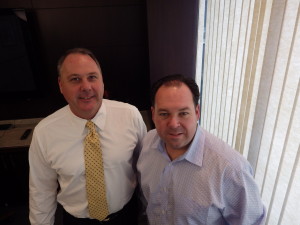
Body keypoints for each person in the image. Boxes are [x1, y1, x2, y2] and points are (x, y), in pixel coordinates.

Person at [29, 48, 147, 225]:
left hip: (126, 216)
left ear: (102, 81)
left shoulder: (130, 116)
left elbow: (145, 169)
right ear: (61, 85)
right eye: (75, 79)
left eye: (92, 77)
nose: (86, 87)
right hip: (77, 221)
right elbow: (41, 192)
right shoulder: (44, 133)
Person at [137, 74, 266, 225]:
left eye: (183, 113)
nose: (173, 124)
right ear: (153, 114)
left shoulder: (232, 170)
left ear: (197, 112)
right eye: (164, 114)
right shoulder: (146, 143)